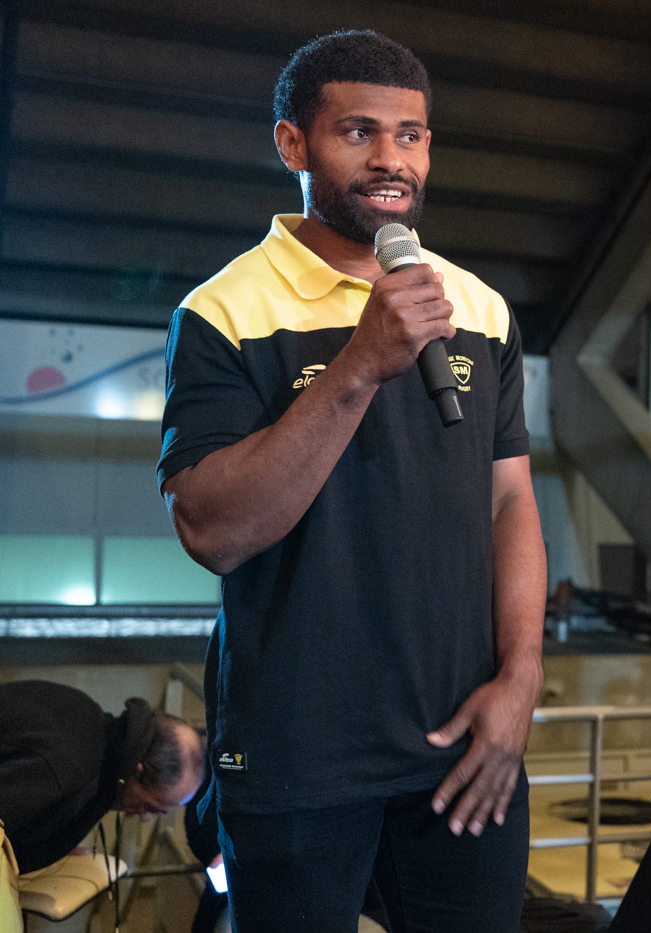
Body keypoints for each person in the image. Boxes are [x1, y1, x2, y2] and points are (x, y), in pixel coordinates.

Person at [156, 31, 545, 932]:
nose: (389, 160)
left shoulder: (476, 309)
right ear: (294, 144)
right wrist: (359, 366)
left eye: (410, 136)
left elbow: (511, 502)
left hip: (466, 748)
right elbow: (214, 531)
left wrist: (520, 678)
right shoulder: (224, 312)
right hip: (300, 756)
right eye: (358, 132)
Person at [0, 680, 204, 874]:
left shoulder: (86, 711)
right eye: (149, 807)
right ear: (137, 770)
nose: (143, 817)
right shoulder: (68, 772)